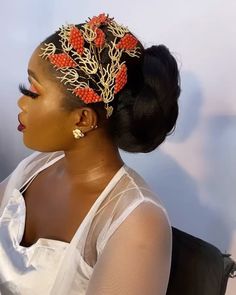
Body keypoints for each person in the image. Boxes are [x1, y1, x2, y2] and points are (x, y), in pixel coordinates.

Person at [0, 13, 180, 295]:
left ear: (83, 119)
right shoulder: (35, 169)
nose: (21, 103)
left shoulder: (137, 223)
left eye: (32, 92)